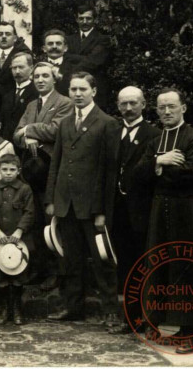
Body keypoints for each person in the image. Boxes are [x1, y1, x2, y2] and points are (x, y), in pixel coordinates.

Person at [134, 88, 193, 354]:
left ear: (183, 108)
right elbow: (137, 175)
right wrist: (160, 160)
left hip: (189, 210)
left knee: (186, 265)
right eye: (161, 108)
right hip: (161, 209)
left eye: (171, 106)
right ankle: (154, 323)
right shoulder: (155, 141)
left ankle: (190, 332)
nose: (166, 112)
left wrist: (157, 168)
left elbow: (192, 174)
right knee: (158, 264)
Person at [45, 72, 119, 323]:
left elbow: (109, 172)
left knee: (101, 261)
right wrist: (52, 200)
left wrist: (101, 211)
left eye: (82, 89)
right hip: (67, 204)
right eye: (73, 89)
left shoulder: (106, 123)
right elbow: (56, 162)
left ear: (93, 92)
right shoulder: (65, 122)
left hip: (92, 206)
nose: (77, 94)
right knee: (71, 260)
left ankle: (110, 311)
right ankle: (73, 307)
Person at [13, 61, 73, 290]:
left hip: (53, 171)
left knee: (54, 222)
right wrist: (26, 134)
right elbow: (15, 134)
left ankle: (59, 273)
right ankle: (40, 269)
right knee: (36, 221)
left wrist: (29, 131)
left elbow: (58, 129)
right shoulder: (31, 105)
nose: (40, 80)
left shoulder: (64, 103)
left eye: (45, 76)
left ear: (55, 78)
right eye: (36, 76)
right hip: (32, 172)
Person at [107, 86, 160, 335]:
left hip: (143, 209)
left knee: (147, 264)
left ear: (143, 104)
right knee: (125, 265)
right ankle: (131, 320)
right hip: (118, 210)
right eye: (123, 104)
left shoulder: (155, 134)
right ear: (117, 106)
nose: (128, 108)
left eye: (133, 103)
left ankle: (150, 321)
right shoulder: (113, 132)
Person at [0, 153, 35, 325]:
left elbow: (29, 212)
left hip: (20, 240)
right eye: (4, 169)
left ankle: (17, 309)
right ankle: (5, 309)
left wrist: (19, 232)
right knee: (1, 276)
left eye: (12, 170)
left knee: (19, 275)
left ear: (18, 170)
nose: (8, 173)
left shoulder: (25, 189)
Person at [66, 5, 112, 107]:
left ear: (94, 20)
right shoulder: (69, 39)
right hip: (73, 87)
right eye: (81, 18)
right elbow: (65, 58)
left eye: (88, 18)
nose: (85, 22)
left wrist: (72, 59)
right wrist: (85, 57)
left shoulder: (102, 39)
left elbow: (93, 62)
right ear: (76, 19)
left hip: (95, 88)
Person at [0, 21, 31, 104]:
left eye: (7, 34)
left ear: (15, 38)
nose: (4, 37)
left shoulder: (22, 57)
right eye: (0, 34)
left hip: (14, 104)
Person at [0, 52, 37, 142]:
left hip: (27, 143)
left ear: (31, 68)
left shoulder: (37, 93)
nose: (17, 71)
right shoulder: (7, 94)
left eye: (21, 67)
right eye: (14, 68)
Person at [40, 29, 78, 97]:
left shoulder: (75, 68)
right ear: (44, 49)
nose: (54, 46)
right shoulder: (38, 67)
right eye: (50, 44)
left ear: (65, 48)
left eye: (58, 43)